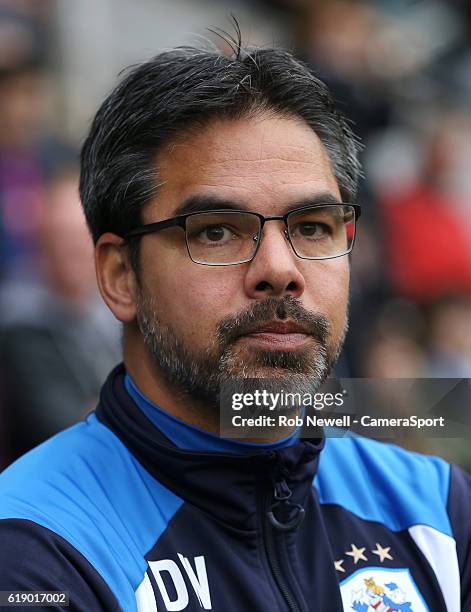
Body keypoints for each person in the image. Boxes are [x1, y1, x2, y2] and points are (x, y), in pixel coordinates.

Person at [0, 39, 469, 612]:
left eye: (314, 227)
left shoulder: (436, 509)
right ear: (122, 275)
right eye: (216, 231)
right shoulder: (34, 548)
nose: (280, 270)